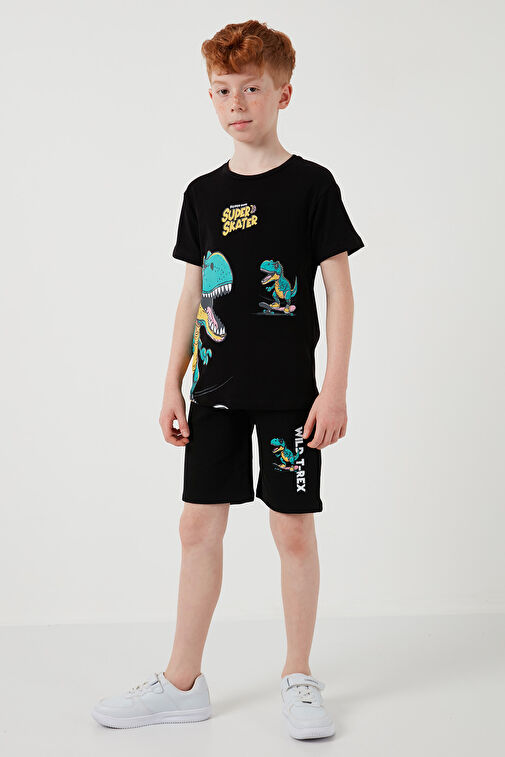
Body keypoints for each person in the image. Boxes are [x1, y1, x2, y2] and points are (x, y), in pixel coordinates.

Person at [91, 19, 365, 741]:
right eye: (222, 90)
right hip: (212, 394)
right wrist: (170, 383)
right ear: (209, 96)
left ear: (283, 94)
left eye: (251, 88)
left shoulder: (312, 185)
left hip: (290, 397)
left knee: (292, 530)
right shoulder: (202, 193)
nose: (236, 103)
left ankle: (298, 675)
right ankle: (181, 682)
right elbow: (191, 295)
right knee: (196, 527)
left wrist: (333, 387)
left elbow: (339, 289)